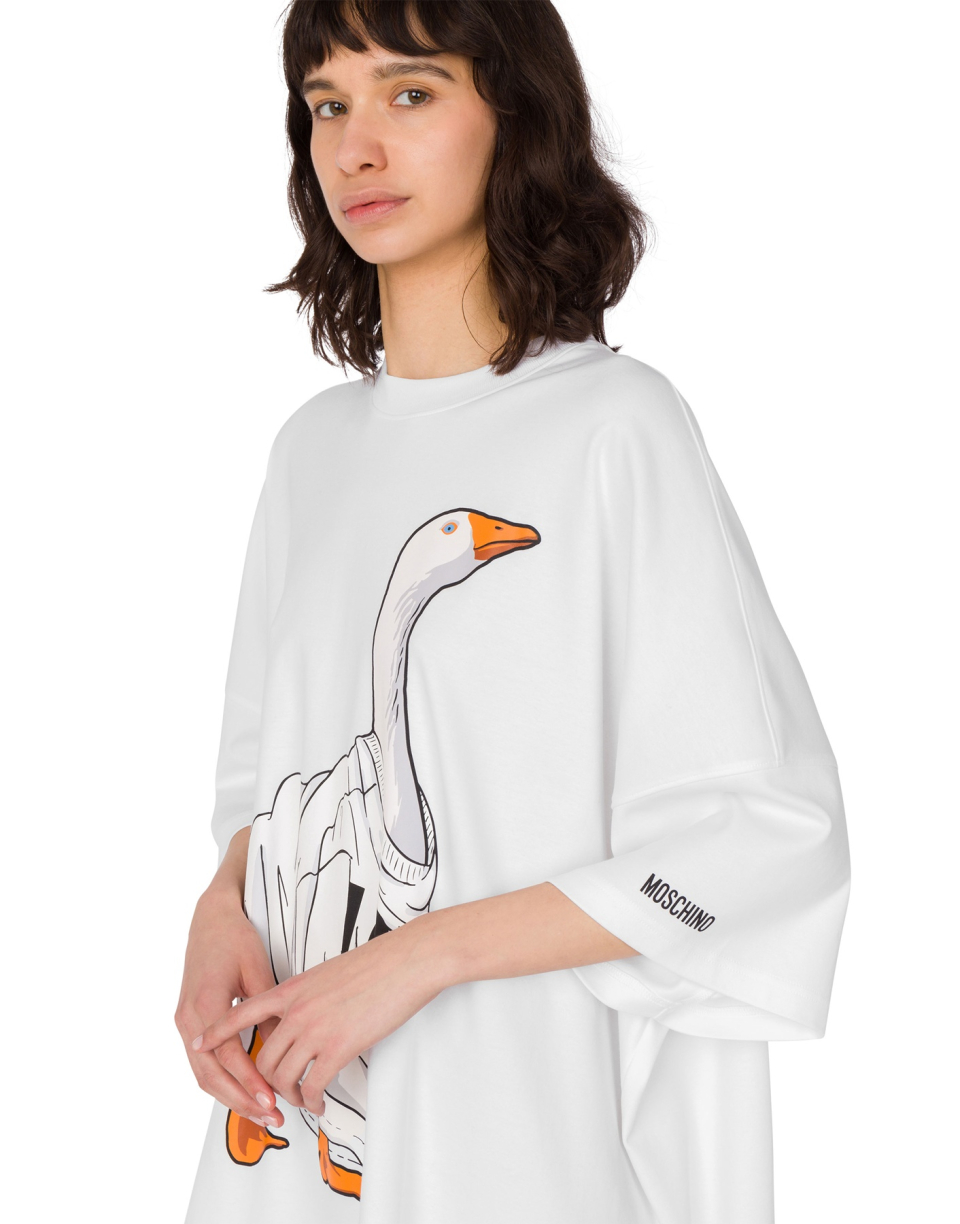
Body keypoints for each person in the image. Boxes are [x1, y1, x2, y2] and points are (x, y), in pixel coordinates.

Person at [176, 3, 851, 1221]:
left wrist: (421, 956)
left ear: (515, 116)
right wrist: (224, 905)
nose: (355, 147)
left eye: (411, 93)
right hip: (295, 1139)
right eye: (328, 105)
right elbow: (266, 781)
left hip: (517, 1146)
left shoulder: (615, 430)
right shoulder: (310, 454)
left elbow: (761, 838)